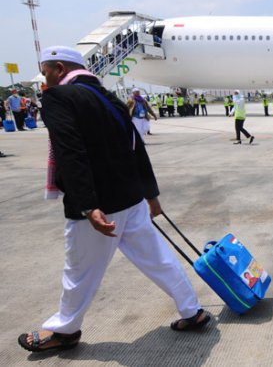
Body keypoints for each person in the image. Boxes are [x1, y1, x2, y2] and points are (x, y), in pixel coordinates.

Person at [18, 46, 210, 353]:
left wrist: (87, 204)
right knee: (158, 259)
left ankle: (64, 331)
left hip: (99, 205)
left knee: (79, 271)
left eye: (45, 71)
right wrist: (150, 194)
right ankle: (192, 311)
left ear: (59, 68)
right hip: (131, 198)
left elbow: (71, 151)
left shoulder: (59, 98)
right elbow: (137, 147)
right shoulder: (111, 98)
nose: (44, 78)